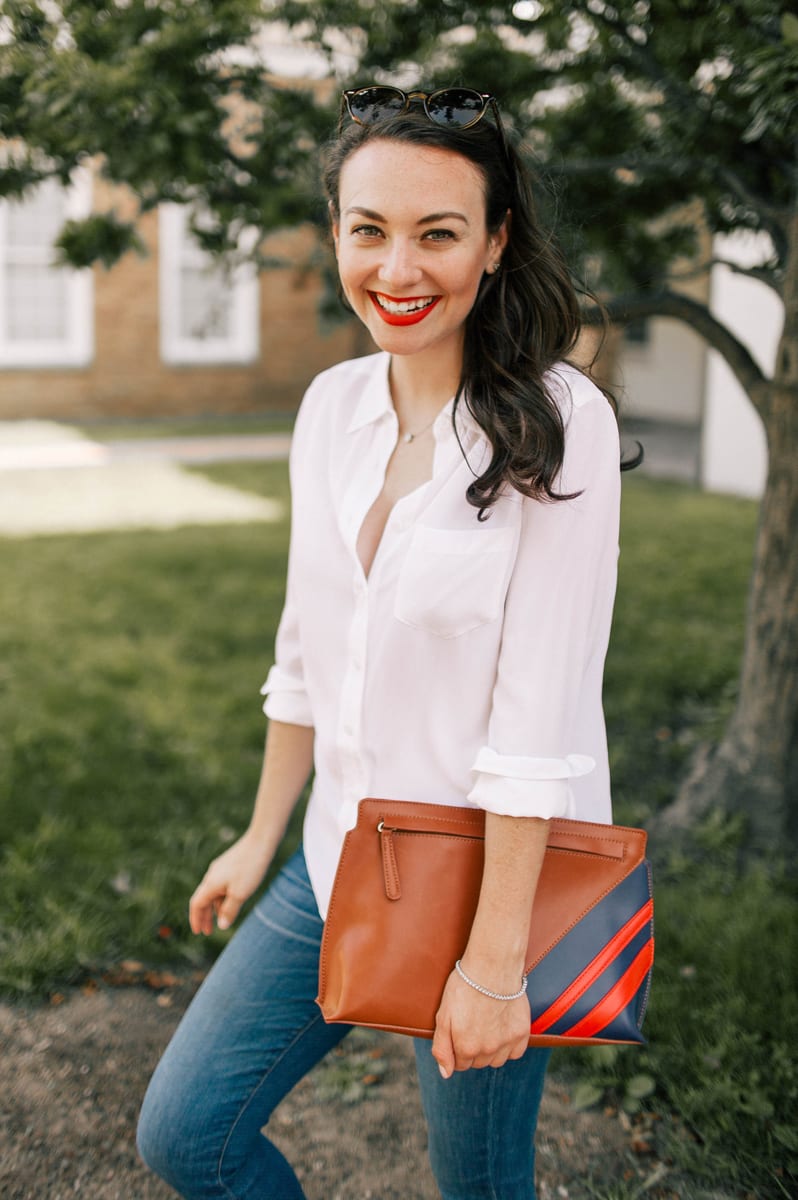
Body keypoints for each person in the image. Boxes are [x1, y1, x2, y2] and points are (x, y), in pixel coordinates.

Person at [137, 85, 622, 1200]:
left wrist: (495, 969)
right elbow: (305, 650)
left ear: (497, 242)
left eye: (439, 233)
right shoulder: (330, 406)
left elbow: (537, 718)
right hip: (334, 854)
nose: (398, 269)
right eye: (370, 230)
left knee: (481, 1188)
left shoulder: (558, 423)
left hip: (486, 888)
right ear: (338, 234)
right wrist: (260, 838)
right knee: (187, 1136)